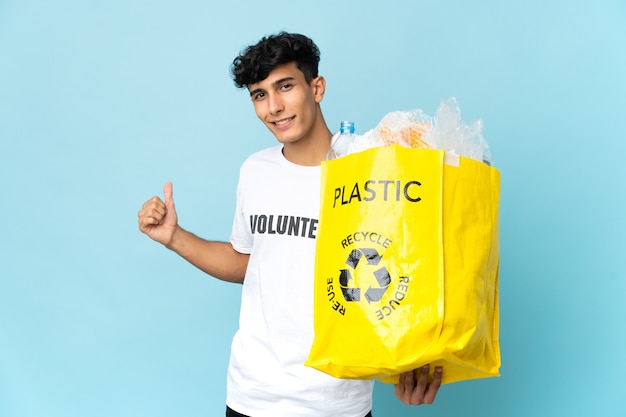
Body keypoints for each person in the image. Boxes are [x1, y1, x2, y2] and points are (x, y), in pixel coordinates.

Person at [138, 31, 442, 417]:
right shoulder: (255, 171)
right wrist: (174, 238)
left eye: (285, 86)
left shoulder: (370, 171)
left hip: (336, 402)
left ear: (317, 87)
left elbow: (410, 271)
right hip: (251, 395)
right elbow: (250, 263)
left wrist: (414, 358)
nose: (274, 107)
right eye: (260, 95)